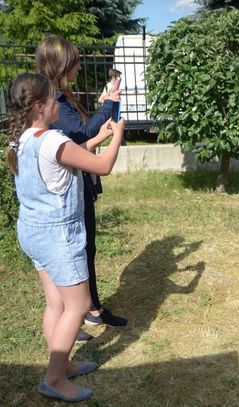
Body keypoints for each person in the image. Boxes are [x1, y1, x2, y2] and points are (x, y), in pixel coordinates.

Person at [6, 73, 125, 402]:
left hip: (32, 231)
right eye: (53, 98)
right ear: (40, 106)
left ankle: (63, 364)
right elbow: (102, 166)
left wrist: (99, 136)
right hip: (59, 236)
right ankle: (55, 379)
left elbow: (69, 157)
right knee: (79, 304)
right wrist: (118, 135)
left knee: (56, 303)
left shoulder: (21, 139)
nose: (58, 102)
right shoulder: (53, 140)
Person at [36, 36, 127, 344]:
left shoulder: (59, 98)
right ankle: (78, 316)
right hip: (66, 196)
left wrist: (99, 133)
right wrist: (111, 111)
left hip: (75, 186)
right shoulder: (54, 102)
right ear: (61, 65)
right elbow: (81, 137)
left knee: (87, 249)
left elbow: (78, 142)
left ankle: (91, 309)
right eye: (74, 63)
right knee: (77, 256)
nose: (78, 69)